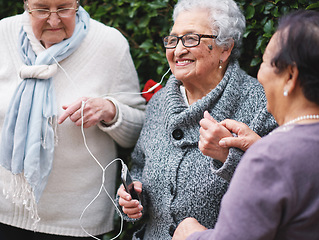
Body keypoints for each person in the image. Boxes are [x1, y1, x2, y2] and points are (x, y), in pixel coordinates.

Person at [117, 0, 277, 239]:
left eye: (191, 39)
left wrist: (228, 157)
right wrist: (134, 197)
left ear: (225, 48)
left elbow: (279, 190)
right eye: (173, 40)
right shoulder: (159, 103)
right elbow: (139, 165)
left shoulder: (262, 104)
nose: (178, 50)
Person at [0, 0, 145, 239]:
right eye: (42, 9)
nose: (54, 20)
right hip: (5, 210)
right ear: (26, 4)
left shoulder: (110, 44)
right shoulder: (3, 35)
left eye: (65, 8)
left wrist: (110, 111)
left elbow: (138, 132)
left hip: (77, 222)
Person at [173, 9, 319, 240]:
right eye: (173, 40)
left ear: (290, 77)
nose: (259, 74)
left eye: (264, 62)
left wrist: (191, 235)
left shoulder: (269, 156)